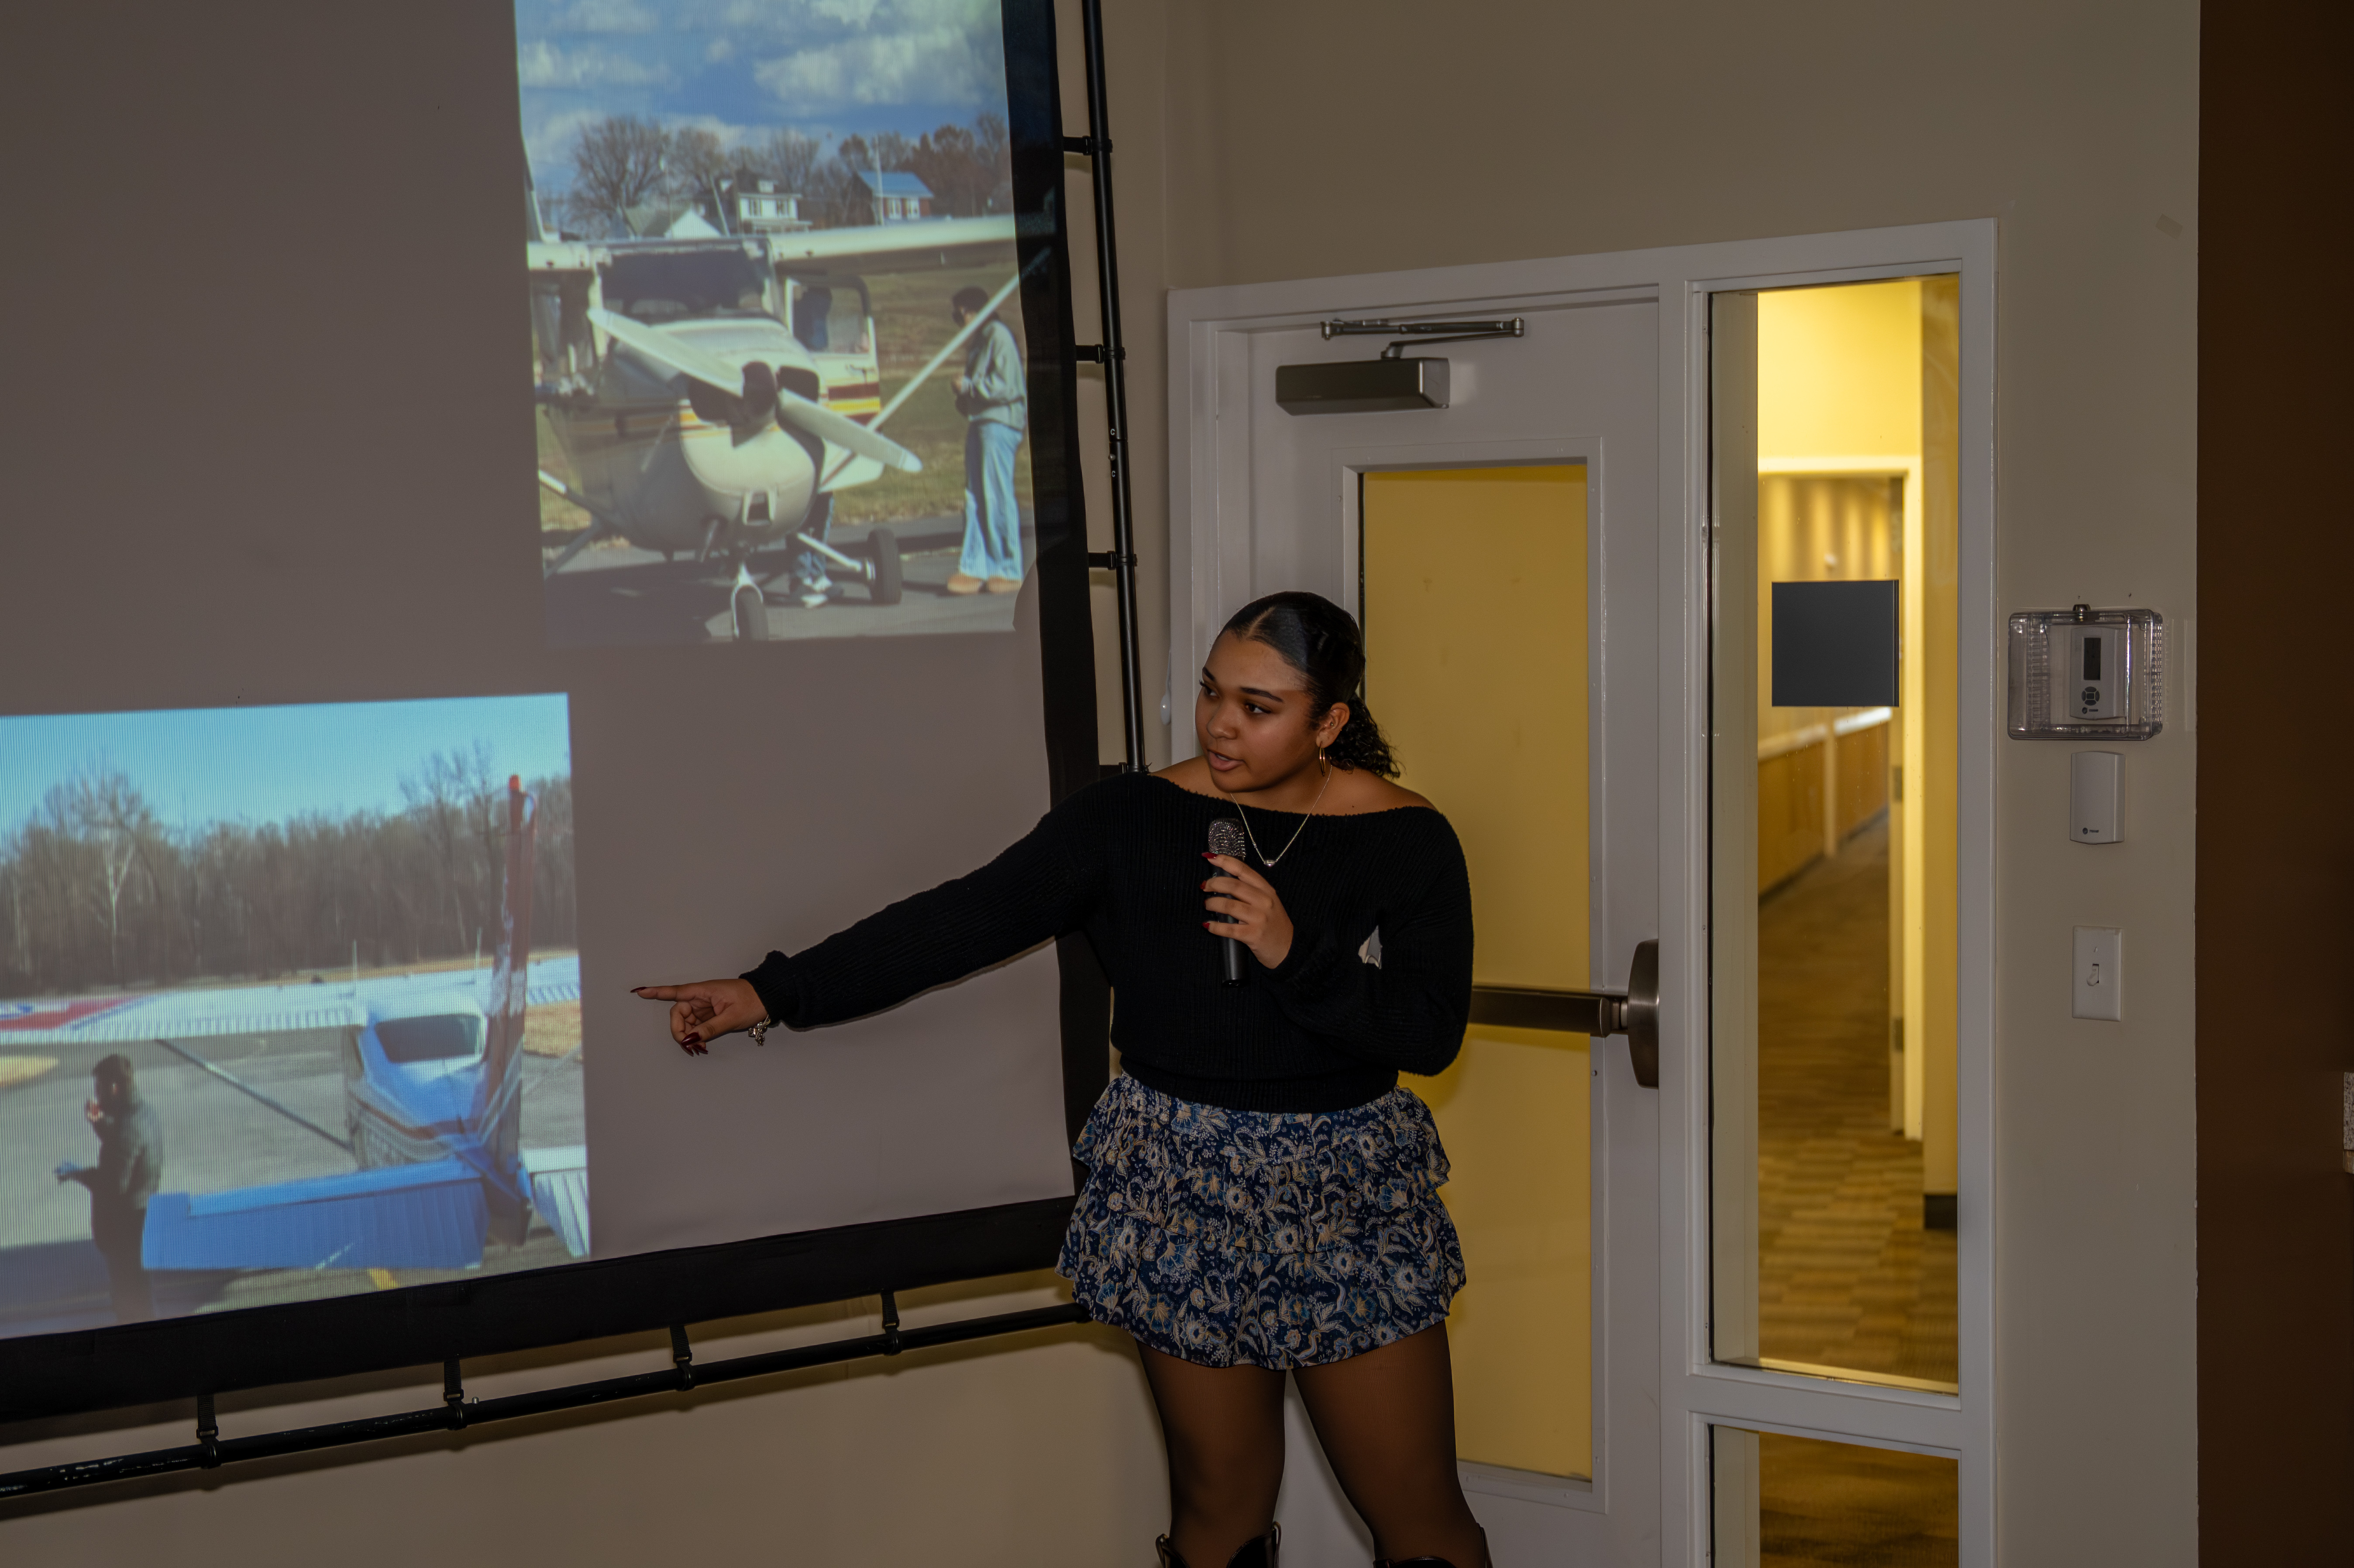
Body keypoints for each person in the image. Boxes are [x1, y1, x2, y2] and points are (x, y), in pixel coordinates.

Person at [637, 591, 1491, 1568]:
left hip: (1344, 1188)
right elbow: (961, 918)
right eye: (1213, 692)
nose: (1220, 722)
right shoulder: (1126, 819)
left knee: (1421, 1520)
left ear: (1329, 720)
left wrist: (1291, 949)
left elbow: (1427, 1033)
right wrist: (769, 990)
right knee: (1221, 1514)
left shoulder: (1407, 836)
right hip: (1183, 1183)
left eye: (1258, 706)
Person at [55, 1053, 165, 1323]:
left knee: (130, 1304)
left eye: (99, 1089)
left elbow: (114, 1183)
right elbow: (125, 1151)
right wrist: (100, 1124)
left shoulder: (130, 1125)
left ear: (114, 1087)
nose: (97, 1096)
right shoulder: (143, 1113)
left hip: (126, 1231)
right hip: (139, 1222)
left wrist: (76, 1174)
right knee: (138, 1296)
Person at [946, 284, 1027, 596]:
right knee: (976, 495)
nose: (958, 321)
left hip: (999, 421)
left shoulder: (997, 335)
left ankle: (1007, 567)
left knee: (996, 493)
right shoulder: (980, 342)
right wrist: (965, 398)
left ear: (971, 311)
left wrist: (966, 387)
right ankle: (975, 567)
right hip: (981, 421)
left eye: (960, 314)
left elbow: (1006, 385)